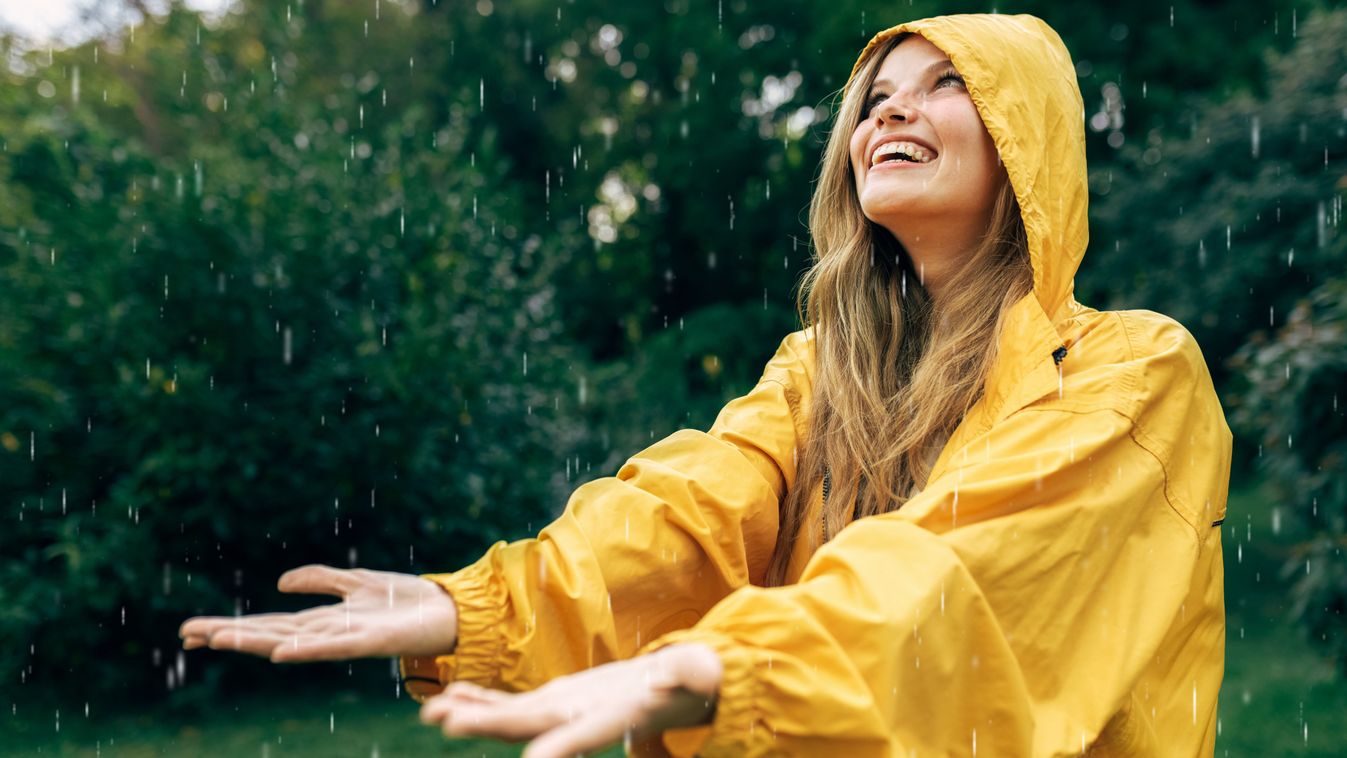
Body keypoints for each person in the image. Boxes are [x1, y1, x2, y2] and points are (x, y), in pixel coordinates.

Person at [180, 12, 1232, 757]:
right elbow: (687, 512)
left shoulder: (1134, 370)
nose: (889, 115)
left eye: (947, 83)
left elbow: (966, 580)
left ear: (1028, 139)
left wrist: (733, 667)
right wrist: (478, 606)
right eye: (875, 99)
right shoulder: (820, 369)